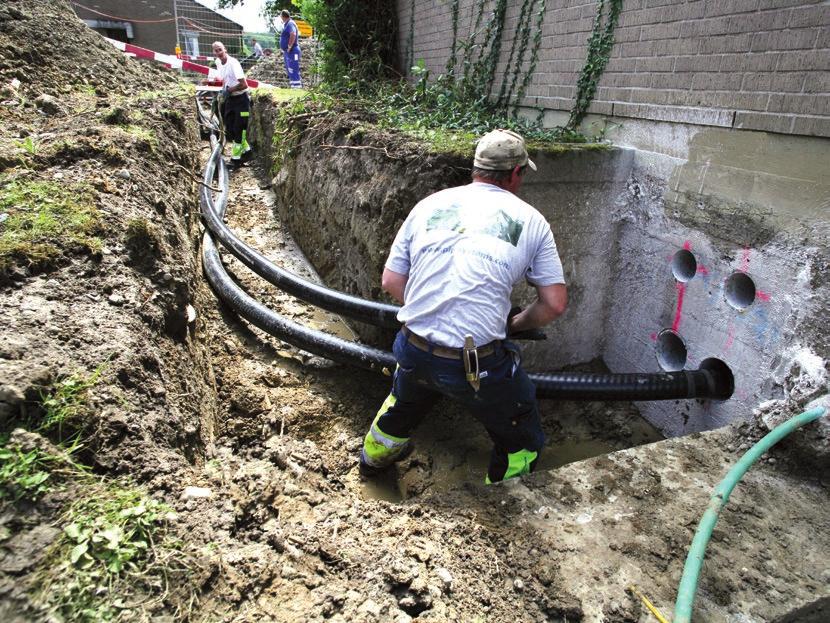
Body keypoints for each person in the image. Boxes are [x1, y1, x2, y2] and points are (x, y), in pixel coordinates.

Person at [360, 129, 568, 484]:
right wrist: (512, 325)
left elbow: (391, 282)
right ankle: (504, 498)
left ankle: (373, 462)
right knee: (521, 435)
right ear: (517, 173)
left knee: (403, 402)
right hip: (476, 366)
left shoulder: (430, 204)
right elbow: (554, 303)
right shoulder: (531, 220)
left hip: (413, 347)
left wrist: (433, 309)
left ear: (476, 169)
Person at [211, 41, 251, 166]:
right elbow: (224, 79)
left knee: (239, 129)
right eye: (216, 50)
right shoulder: (218, 62)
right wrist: (220, 88)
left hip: (242, 100)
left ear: (225, 50)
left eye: (220, 50)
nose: (218, 53)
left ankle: (236, 159)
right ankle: (248, 151)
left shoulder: (233, 64)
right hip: (231, 100)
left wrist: (228, 90)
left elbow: (244, 84)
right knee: (230, 129)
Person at [279, 10, 302, 88]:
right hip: (289, 51)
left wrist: (289, 47)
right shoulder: (287, 24)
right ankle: (294, 86)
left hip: (293, 51)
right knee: (290, 69)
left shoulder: (290, 23)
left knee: (293, 68)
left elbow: (293, 34)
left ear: (282, 16)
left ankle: (297, 87)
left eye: (280, 16)